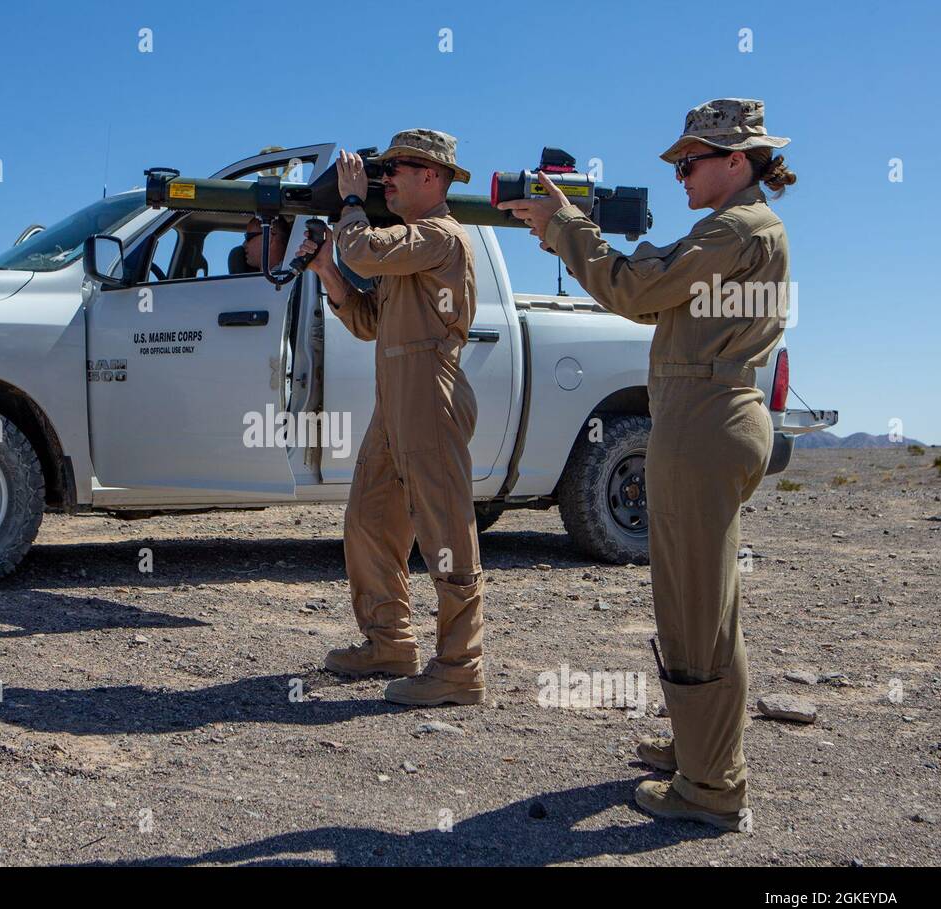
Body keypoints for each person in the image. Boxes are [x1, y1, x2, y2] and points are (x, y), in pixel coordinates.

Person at [505, 98, 796, 830]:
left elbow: (634, 290)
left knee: (697, 608)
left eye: (691, 162)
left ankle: (711, 787)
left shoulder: (734, 229)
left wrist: (566, 227)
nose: (681, 175)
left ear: (738, 161)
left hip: (703, 423)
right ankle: (699, 748)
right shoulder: (744, 227)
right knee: (703, 599)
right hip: (708, 417)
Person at [298, 129, 485, 707]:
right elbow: (368, 321)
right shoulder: (412, 248)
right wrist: (326, 270)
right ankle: (390, 643)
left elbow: (364, 251)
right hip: (399, 397)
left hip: (429, 394)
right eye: (379, 172)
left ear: (433, 176)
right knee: (370, 522)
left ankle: (459, 667)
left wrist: (352, 203)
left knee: (446, 535)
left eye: (396, 169)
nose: (385, 180)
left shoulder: (440, 237)